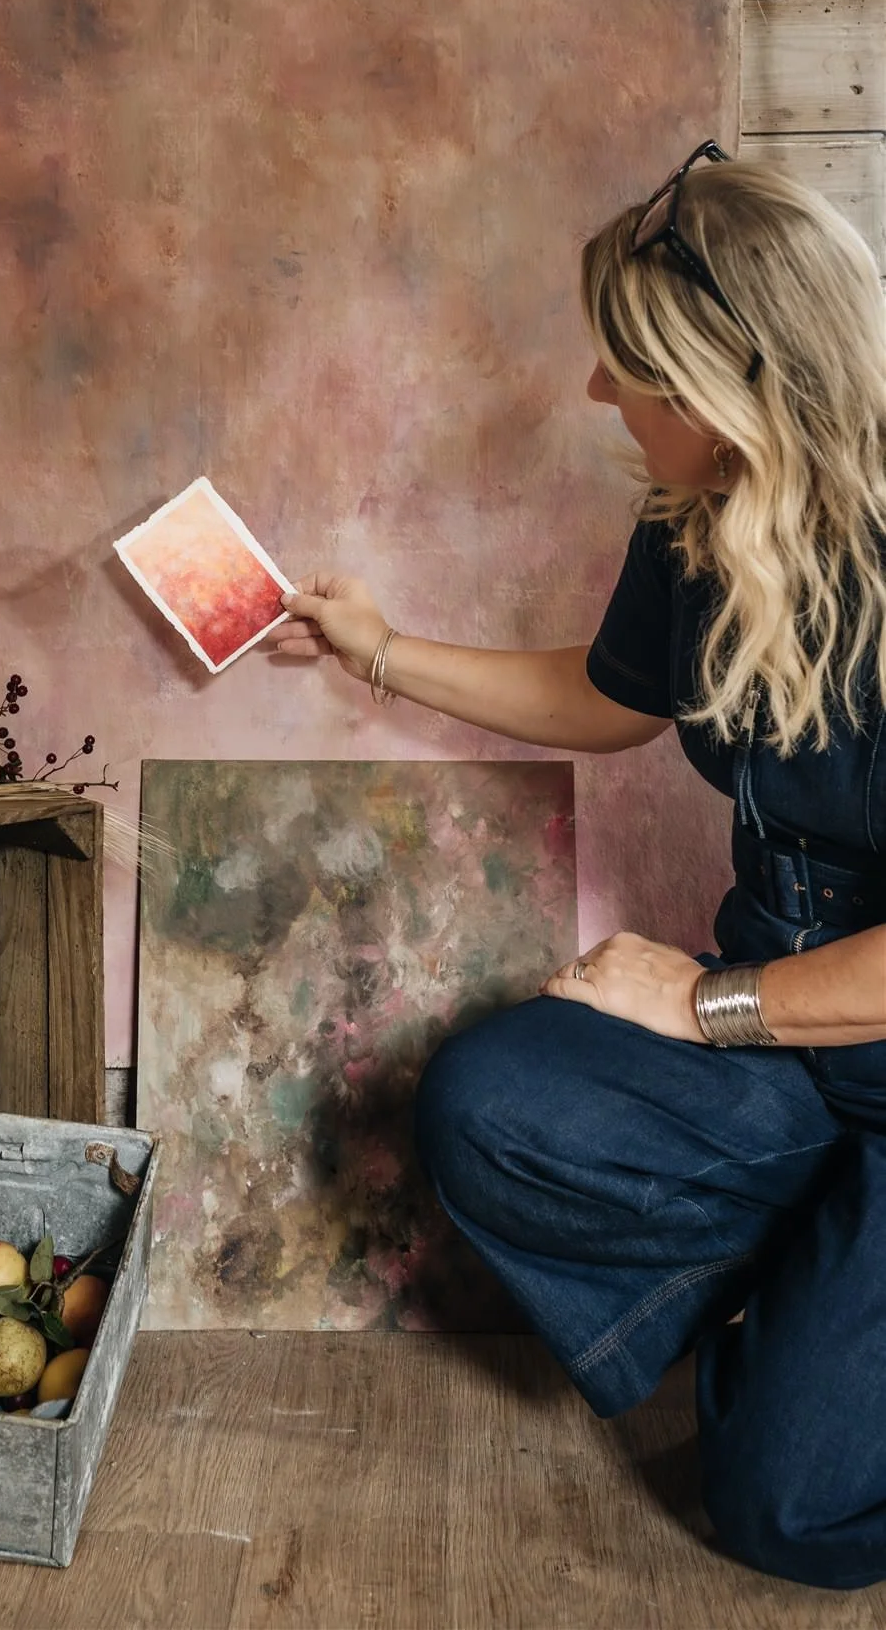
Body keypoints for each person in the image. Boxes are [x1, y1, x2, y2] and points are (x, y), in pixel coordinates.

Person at [274, 146, 886, 1591]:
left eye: (629, 371)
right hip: (803, 1064)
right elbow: (614, 700)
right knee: (495, 1102)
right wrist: (376, 646)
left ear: (730, 382)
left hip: (800, 1020)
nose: (597, 396)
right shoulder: (702, 525)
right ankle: (818, 1278)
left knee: (785, 1516)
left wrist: (707, 1003)